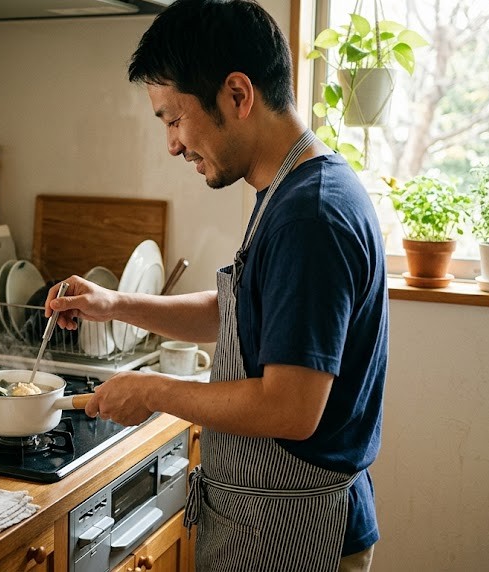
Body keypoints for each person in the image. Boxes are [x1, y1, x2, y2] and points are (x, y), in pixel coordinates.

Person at [44, 1, 388, 570]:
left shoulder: (311, 215)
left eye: (174, 119)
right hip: (271, 522)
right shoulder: (290, 190)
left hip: (297, 535)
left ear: (237, 94)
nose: (173, 144)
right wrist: (116, 305)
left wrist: (152, 391)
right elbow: (241, 313)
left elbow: (290, 408)